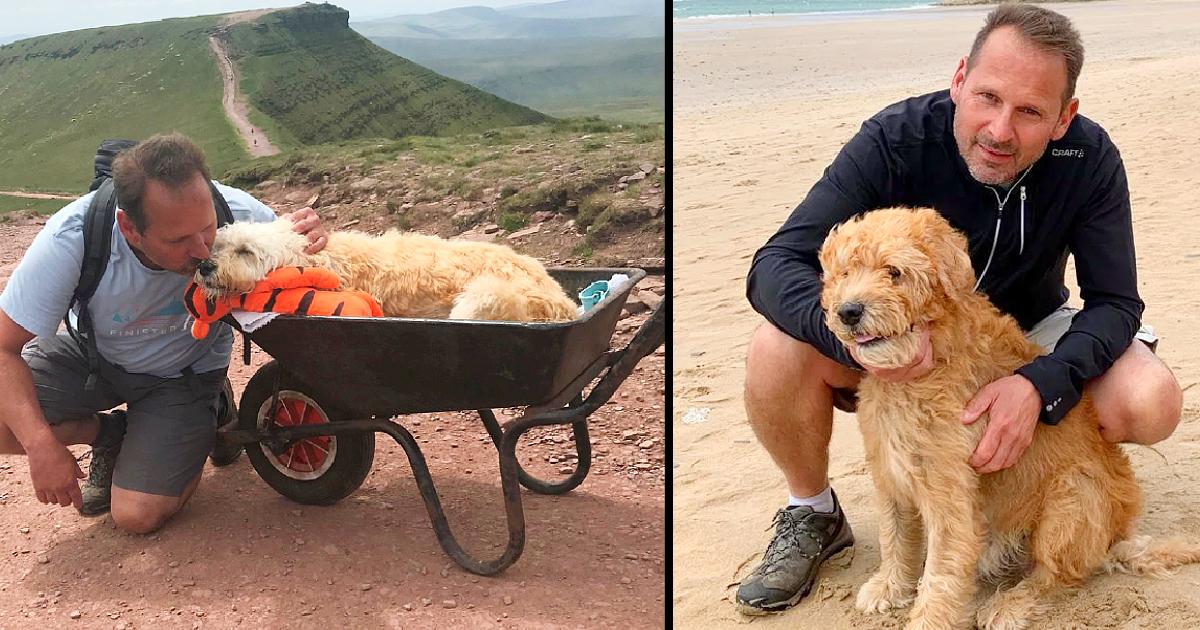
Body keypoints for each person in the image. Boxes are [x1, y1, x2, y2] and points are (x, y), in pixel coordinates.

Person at [736, 4, 1183, 614]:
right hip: (896, 324)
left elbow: (1115, 303)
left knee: (1150, 397)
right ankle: (812, 511)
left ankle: (1049, 497)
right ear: (959, 81)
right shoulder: (895, 140)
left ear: (1063, 117)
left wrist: (1040, 383)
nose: (1000, 130)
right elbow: (774, 264)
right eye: (988, 97)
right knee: (774, 349)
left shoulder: (1090, 159)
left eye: (1030, 111)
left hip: (1031, 331)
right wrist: (849, 338)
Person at [0, 133, 327, 534]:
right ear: (130, 229)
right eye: (177, 240)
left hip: (183, 373)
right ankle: (111, 434)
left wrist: (313, 238)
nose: (203, 251)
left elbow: (309, 266)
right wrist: (38, 444)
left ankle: (211, 406)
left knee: (136, 516)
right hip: (95, 359)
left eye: (208, 229)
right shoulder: (73, 237)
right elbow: (4, 348)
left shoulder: (238, 210)